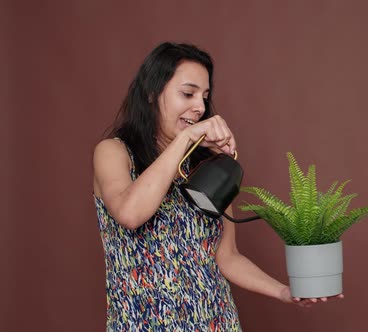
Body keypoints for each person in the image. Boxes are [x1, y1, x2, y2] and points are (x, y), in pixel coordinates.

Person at [92, 42, 342, 331]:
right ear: (151, 92)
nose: (199, 107)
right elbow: (130, 213)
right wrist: (186, 139)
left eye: (204, 97)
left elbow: (226, 257)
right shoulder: (113, 152)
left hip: (215, 322)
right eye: (188, 93)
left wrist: (284, 292)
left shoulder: (207, 166)